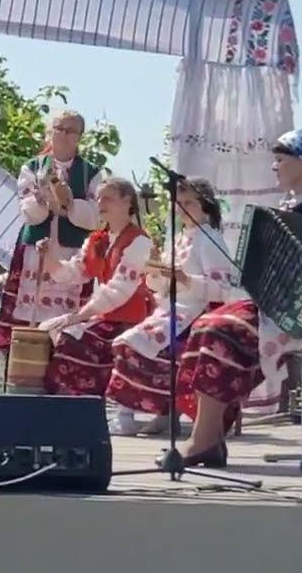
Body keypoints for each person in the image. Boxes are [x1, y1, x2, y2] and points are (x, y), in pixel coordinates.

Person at [173, 129, 302, 468]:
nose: (274, 166)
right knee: (205, 325)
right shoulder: (289, 207)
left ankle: (204, 441)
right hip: (276, 310)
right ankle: (209, 436)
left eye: (281, 159)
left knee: (221, 329)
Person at [104, 177, 235, 435]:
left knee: (132, 342)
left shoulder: (210, 238)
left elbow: (222, 288)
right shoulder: (180, 238)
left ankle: (137, 416)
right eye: (179, 202)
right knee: (128, 342)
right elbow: (161, 286)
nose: (183, 208)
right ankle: (161, 413)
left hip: (197, 315)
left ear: (205, 205)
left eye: (190, 203)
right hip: (172, 310)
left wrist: (185, 279)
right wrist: (155, 270)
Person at [0, 111, 103, 350]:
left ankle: (58, 359)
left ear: (80, 137)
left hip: (71, 251)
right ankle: (24, 361)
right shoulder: (32, 167)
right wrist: (43, 199)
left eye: (70, 131)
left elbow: (95, 217)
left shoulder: (92, 173)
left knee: (66, 315)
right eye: (59, 128)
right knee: (28, 312)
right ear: (50, 132)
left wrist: (69, 203)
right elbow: (27, 211)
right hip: (35, 250)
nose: (63, 134)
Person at [38, 178, 153, 397]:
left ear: (127, 201)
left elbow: (119, 291)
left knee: (70, 337)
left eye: (108, 198)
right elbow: (72, 273)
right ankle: (54, 402)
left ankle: (78, 403)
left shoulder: (139, 241)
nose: (100, 203)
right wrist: (49, 258)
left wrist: (80, 316)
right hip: (102, 317)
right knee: (44, 330)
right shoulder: (98, 240)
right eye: (99, 198)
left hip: (126, 320)